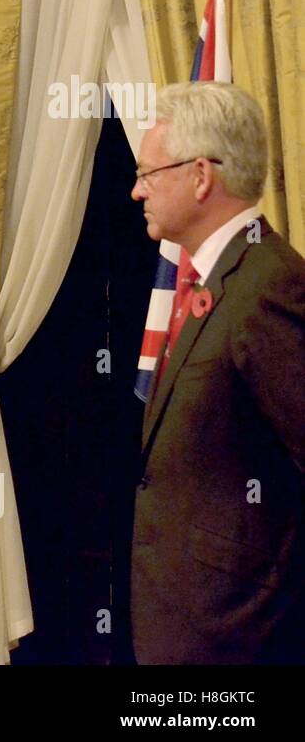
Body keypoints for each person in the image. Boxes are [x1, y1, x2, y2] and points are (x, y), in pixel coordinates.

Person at [129, 81, 305, 663]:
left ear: (201, 176)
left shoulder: (269, 284)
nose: (137, 191)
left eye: (150, 174)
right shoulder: (217, 278)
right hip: (189, 631)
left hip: (239, 639)